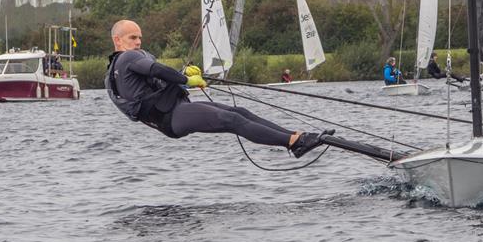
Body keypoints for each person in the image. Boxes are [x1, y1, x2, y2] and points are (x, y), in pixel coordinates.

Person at [105, 20, 333, 158]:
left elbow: (156, 79)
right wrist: (185, 79)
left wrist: (184, 76)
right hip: (171, 116)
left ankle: (295, 137)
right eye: (132, 37)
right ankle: (294, 142)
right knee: (230, 120)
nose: (138, 42)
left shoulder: (120, 67)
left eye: (140, 38)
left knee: (239, 112)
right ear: (118, 40)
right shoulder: (127, 58)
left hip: (174, 112)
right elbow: (156, 70)